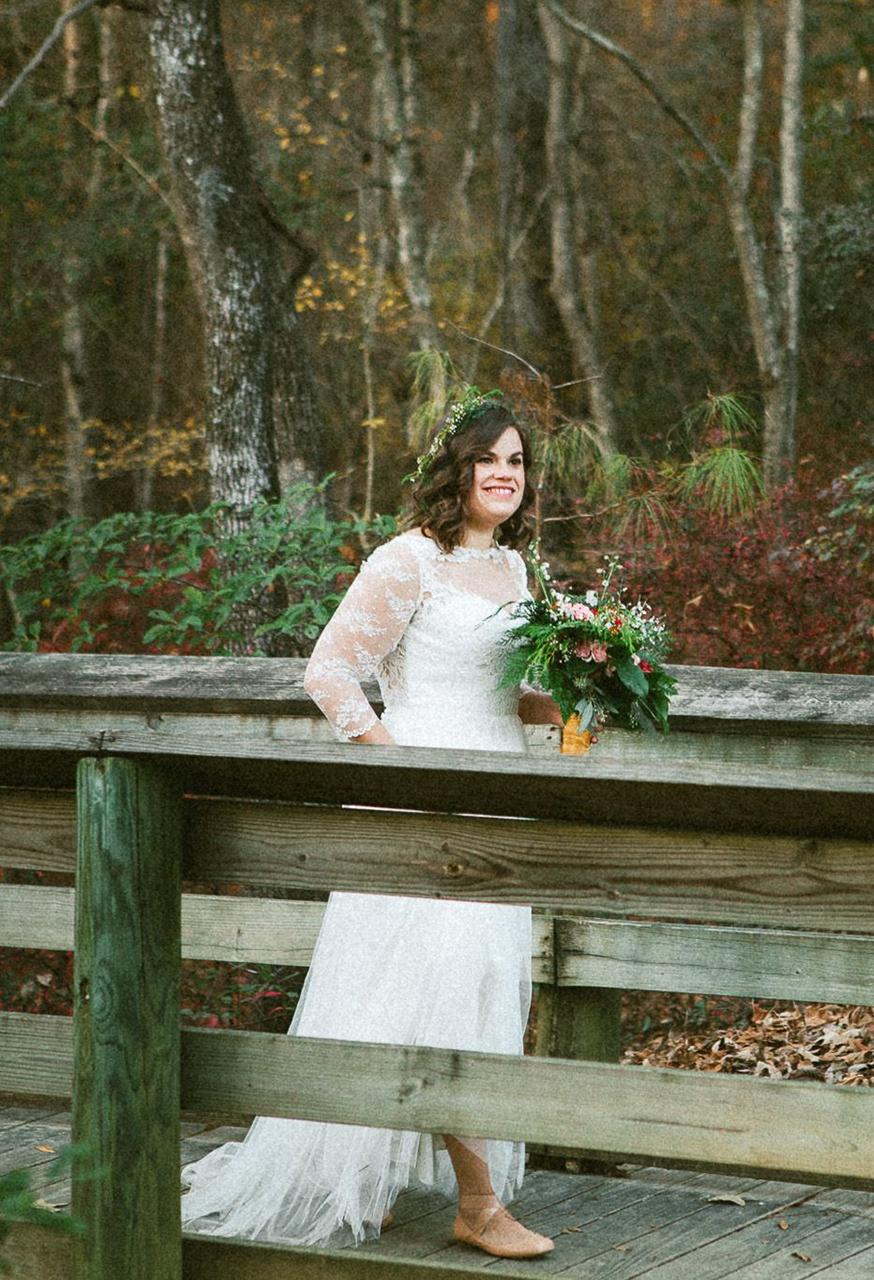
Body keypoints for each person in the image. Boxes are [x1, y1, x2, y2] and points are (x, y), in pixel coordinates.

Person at [179, 392, 564, 1259]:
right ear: (455, 471)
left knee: (466, 985)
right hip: (419, 805)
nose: (504, 474)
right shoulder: (408, 560)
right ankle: (477, 1204)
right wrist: (401, 769)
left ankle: (361, 1174)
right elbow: (329, 672)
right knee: (433, 986)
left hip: (496, 797)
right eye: (487, 459)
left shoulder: (515, 571)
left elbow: (501, 691)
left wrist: (572, 697)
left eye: (516, 461)